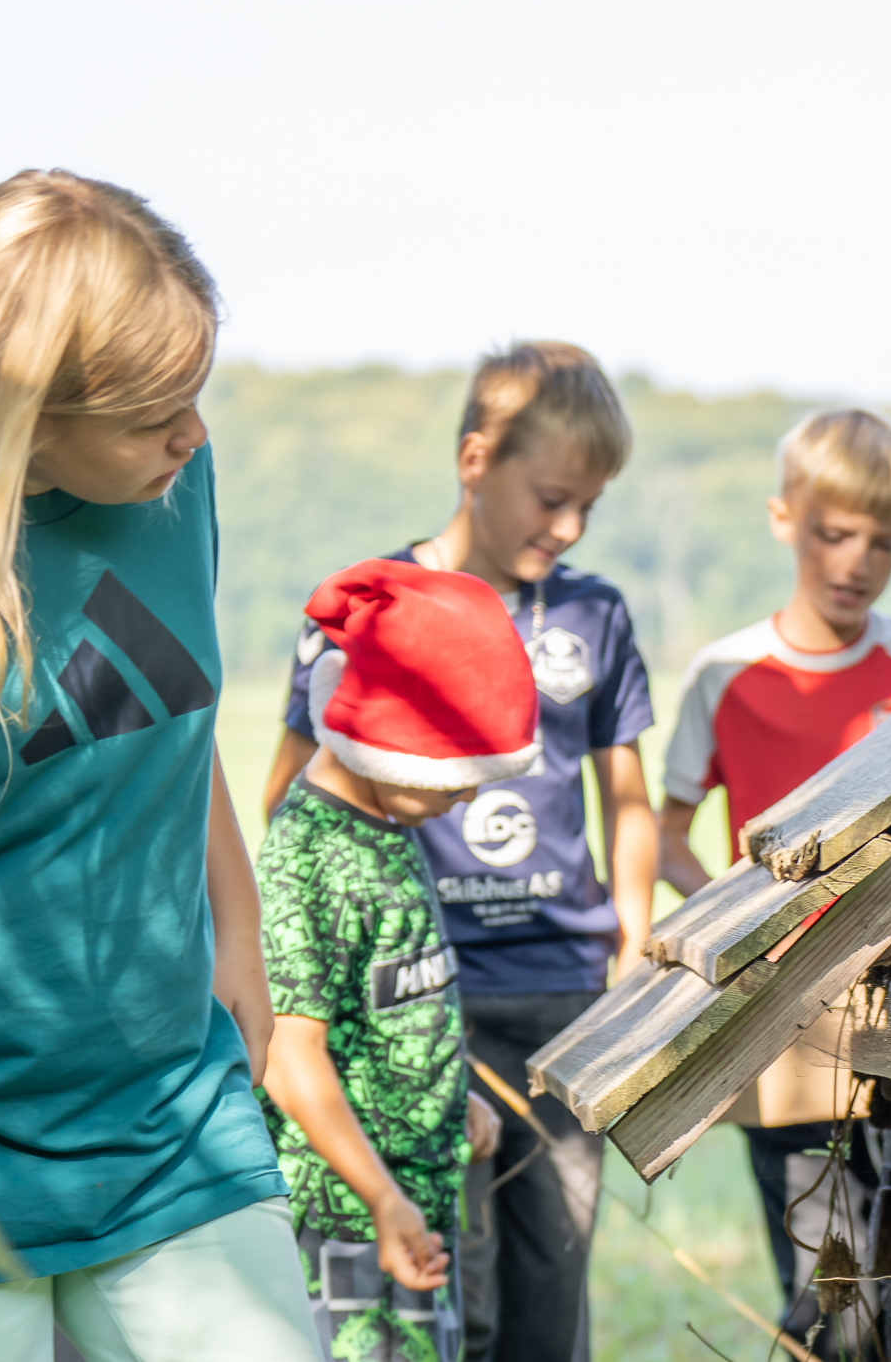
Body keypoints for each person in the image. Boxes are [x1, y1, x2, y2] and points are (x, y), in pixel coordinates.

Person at [0, 172, 316, 1356]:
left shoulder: (179, 479)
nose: (195, 434)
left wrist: (239, 931)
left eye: (196, 394)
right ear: (22, 414)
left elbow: (157, 705)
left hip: (169, 1108)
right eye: (152, 413)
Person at [260, 342, 655, 1362]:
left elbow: (625, 794)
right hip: (428, 1009)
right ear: (474, 459)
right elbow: (285, 796)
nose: (564, 529)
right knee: (449, 1291)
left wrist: (632, 948)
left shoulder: (591, 613)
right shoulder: (375, 616)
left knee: (548, 1279)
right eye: (550, 496)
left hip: (556, 989)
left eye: (588, 510)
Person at [659, 408, 891, 1352]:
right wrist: (742, 944)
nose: (857, 561)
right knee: (825, 1291)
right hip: (783, 1020)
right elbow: (665, 837)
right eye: (834, 534)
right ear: (784, 518)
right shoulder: (725, 673)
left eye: (883, 542)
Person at [259, 560, 532, 1362]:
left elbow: (404, 993)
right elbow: (288, 1053)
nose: (470, 799)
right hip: (346, 1217)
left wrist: (458, 1092)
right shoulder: (305, 856)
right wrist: (379, 1198)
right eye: (460, 778)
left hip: (415, 1197)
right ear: (394, 746)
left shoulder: (388, 824)